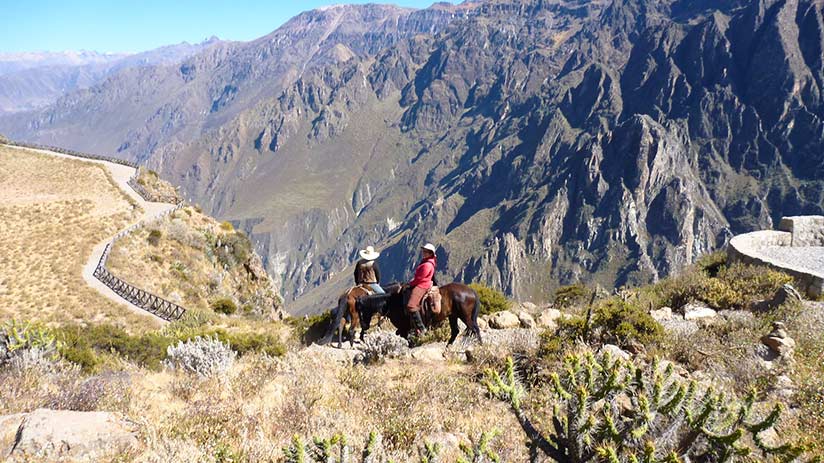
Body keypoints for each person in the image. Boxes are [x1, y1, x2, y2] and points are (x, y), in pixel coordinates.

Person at [407, 243, 437, 335]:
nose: (423, 253)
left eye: (426, 252)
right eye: (423, 251)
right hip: (423, 282)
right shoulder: (427, 262)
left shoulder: (427, 265)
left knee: (411, 305)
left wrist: (411, 283)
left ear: (430, 253)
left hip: (422, 285)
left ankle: (421, 328)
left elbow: (420, 279)